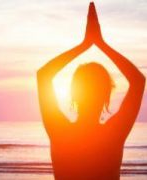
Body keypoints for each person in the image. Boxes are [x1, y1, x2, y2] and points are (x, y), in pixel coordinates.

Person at [37, 2, 145, 180]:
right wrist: (100, 43)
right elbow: (138, 81)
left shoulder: (60, 131)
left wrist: (85, 44)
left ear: (74, 95)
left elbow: (43, 75)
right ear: (106, 96)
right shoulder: (113, 134)